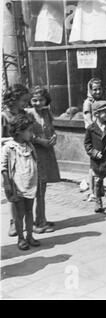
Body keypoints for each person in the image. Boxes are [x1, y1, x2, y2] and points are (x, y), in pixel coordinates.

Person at [1, 113, 40, 250]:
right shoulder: (8, 148)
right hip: (16, 186)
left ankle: (30, 236)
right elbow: (4, 168)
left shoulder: (29, 146)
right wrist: (7, 185)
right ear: (19, 132)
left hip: (30, 184)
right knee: (19, 213)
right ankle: (21, 238)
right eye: (29, 130)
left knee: (29, 211)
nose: (31, 133)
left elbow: (35, 163)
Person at [26, 86, 60, 233]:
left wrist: (54, 137)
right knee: (38, 188)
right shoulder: (28, 114)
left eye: (41, 100)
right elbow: (26, 134)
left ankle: (41, 217)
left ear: (46, 100)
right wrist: (41, 141)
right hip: (35, 153)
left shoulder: (47, 112)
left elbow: (51, 129)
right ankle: (38, 222)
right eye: (34, 100)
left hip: (47, 154)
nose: (38, 103)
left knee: (43, 187)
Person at [2, 84, 30, 237]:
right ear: (13, 100)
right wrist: (14, 138)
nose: (26, 103)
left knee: (24, 189)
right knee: (13, 193)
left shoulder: (25, 114)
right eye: (23, 100)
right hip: (10, 158)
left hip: (24, 157)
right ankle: (14, 222)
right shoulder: (4, 116)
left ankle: (25, 221)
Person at [83, 78, 106, 202]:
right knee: (93, 165)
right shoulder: (88, 103)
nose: (97, 91)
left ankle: (100, 188)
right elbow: (88, 119)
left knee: (102, 162)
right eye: (95, 89)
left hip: (102, 133)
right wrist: (95, 130)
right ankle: (92, 191)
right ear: (90, 90)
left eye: (99, 89)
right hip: (93, 134)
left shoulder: (102, 101)